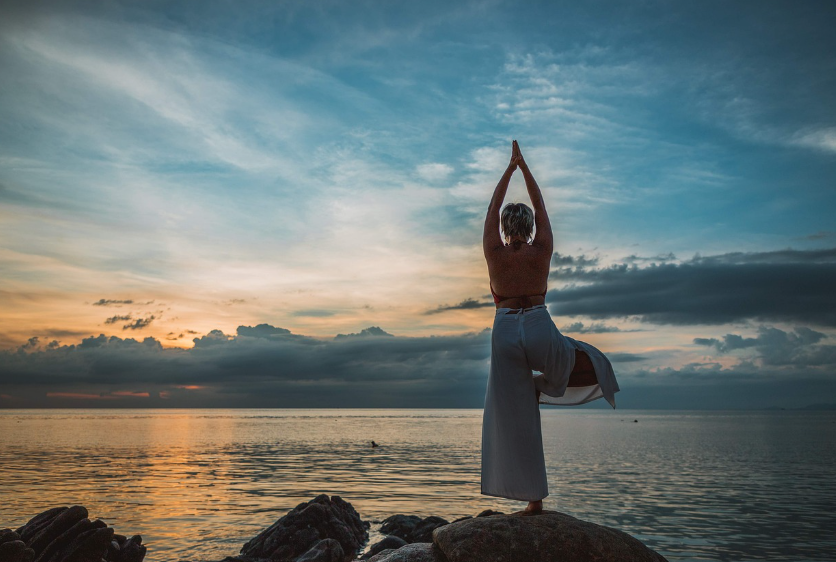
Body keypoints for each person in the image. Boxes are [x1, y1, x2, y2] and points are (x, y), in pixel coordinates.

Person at [480, 140, 619, 515]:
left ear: (506, 228)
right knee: (568, 363)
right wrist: (524, 168)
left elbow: (492, 209)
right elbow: (540, 207)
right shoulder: (541, 250)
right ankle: (547, 387)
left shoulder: (494, 253)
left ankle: (532, 497)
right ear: (528, 226)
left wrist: (507, 170)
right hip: (539, 324)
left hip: (505, 329)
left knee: (514, 411)